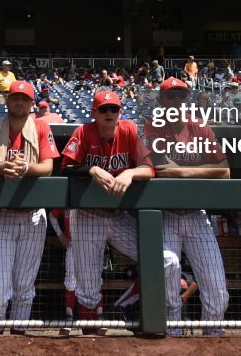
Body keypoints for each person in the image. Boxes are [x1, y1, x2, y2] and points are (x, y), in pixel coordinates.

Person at [60, 89, 181, 335]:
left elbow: (149, 170)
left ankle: (130, 305)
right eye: (103, 109)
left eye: (113, 108)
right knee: (88, 288)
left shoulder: (129, 130)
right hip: (87, 217)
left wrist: (128, 172)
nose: (109, 113)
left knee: (167, 261)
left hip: (118, 217)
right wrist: (91, 169)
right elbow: (67, 166)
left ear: (120, 111)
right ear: (94, 113)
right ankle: (91, 341)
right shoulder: (83, 132)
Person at [139, 78, 230, 336]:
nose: (178, 101)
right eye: (172, 96)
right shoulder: (152, 126)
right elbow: (164, 168)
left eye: (182, 96)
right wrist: (200, 171)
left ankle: (212, 338)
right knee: (167, 269)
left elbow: (224, 170)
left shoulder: (199, 126)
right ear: (161, 101)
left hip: (196, 214)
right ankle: (173, 335)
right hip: (165, 215)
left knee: (217, 289)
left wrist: (185, 172)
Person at [0, 81, 59, 335]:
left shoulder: (41, 126)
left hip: (33, 216)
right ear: (7, 101)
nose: (19, 102)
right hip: (1, 215)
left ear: (32, 104)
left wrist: (25, 168)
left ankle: (18, 338)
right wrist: (1, 168)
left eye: (24, 98)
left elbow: (48, 167)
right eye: (15, 97)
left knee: (24, 286)